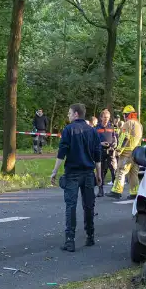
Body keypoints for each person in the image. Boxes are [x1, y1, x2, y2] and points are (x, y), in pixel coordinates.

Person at [50, 104, 101, 252]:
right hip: (88, 174)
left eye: (69, 113)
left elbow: (62, 152)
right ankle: (90, 236)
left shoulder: (68, 130)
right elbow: (97, 155)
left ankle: (70, 240)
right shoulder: (93, 131)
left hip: (72, 174)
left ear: (76, 114)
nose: (68, 115)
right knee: (89, 206)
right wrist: (98, 175)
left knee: (71, 206)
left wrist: (54, 171)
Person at [110, 105, 143, 199]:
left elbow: (124, 137)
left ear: (127, 115)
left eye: (124, 114)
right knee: (134, 174)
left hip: (126, 153)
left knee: (121, 171)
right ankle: (134, 192)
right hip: (136, 153)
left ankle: (116, 191)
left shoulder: (127, 124)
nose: (123, 116)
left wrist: (118, 150)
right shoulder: (139, 124)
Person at [95, 108, 117, 197]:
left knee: (113, 171)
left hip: (110, 151)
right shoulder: (96, 128)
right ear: (101, 118)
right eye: (104, 117)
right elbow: (92, 141)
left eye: (107, 117)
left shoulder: (111, 127)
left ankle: (115, 190)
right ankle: (101, 190)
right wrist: (100, 143)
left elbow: (115, 138)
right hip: (100, 152)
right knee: (101, 172)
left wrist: (114, 144)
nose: (106, 119)